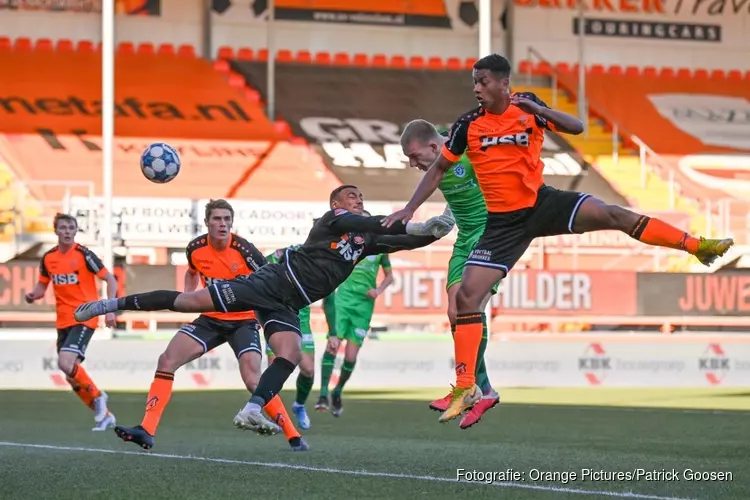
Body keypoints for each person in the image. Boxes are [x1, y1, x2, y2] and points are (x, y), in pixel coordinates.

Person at [383, 53, 734, 424]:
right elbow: (439, 169)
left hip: (541, 203)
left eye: (483, 81)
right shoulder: (468, 124)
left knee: (612, 214)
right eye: (474, 82)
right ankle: (466, 386)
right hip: (501, 225)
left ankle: (696, 246)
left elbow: (577, 127)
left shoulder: (530, 108)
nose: (476, 88)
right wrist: (409, 209)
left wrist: (538, 109)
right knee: (466, 299)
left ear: (504, 83)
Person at [74, 185, 455, 434]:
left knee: (289, 354)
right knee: (190, 301)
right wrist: (419, 221)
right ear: (336, 204)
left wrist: (437, 230)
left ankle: (253, 409)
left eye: (359, 195)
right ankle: (112, 303)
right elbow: (378, 222)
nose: (358, 198)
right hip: (272, 282)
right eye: (351, 195)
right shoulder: (334, 220)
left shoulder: (366, 239)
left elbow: (401, 240)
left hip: (290, 301)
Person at [111, 199, 308, 451]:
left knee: (252, 379)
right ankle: (146, 430)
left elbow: (270, 284)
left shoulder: (246, 251)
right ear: (207, 222)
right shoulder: (195, 248)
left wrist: (269, 326)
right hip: (211, 318)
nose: (222, 224)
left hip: (244, 321)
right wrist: (187, 299)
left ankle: (294, 436)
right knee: (166, 360)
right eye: (217, 219)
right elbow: (192, 272)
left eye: (227, 219)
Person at [399, 119, 500, 429]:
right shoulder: (439, 162)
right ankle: (484, 390)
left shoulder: (468, 150)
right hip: (465, 238)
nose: (413, 164)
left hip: (490, 235)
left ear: (433, 147)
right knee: (455, 313)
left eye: (415, 156)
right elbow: (447, 215)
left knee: (470, 306)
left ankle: (467, 387)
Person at [25, 213, 118, 431]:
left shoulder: (84, 254)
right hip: (63, 320)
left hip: (85, 316)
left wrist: (110, 310)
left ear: (76, 231)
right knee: (70, 375)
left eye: (71, 228)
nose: (67, 231)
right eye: (63, 228)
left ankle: (99, 397)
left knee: (65, 363)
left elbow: (110, 278)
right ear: (55, 231)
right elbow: (42, 286)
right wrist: (33, 295)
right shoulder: (48, 258)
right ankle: (104, 415)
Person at [316, 210, 394, 417]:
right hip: (343, 301)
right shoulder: (348, 245)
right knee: (332, 345)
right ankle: (323, 393)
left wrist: (378, 290)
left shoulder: (379, 249)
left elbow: (390, 277)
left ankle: (338, 391)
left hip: (364, 306)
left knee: (351, 356)